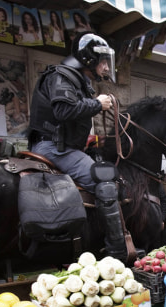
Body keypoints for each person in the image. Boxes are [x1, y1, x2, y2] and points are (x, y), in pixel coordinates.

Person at [28, 33, 126, 258]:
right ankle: (117, 250)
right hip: (54, 148)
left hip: (62, 146)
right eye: (102, 61)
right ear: (89, 59)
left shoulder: (75, 79)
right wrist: (97, 104)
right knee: (106, 181)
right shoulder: (62, 75)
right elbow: (63, 110)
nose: (105, 67)